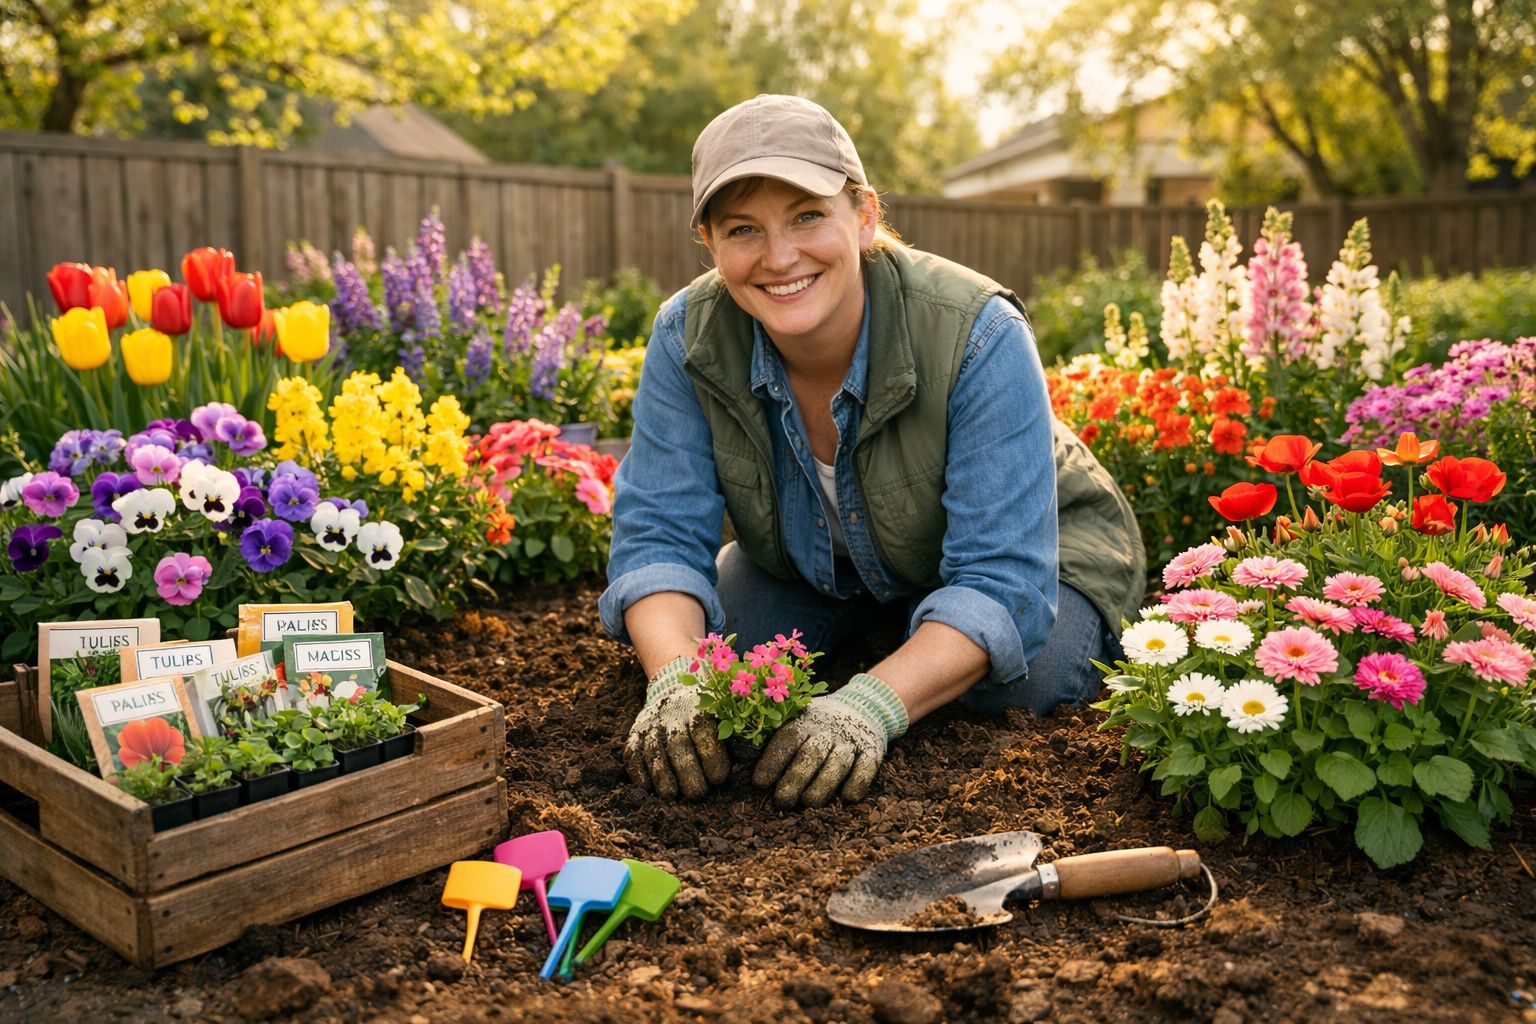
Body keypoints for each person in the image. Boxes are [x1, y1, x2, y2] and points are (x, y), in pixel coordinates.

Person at [600, 95, 1144, 809]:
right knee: (719, 664)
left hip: (1043, 555)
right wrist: (674, 681)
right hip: (817, 563)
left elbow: (1003, 576)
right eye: (743, 230)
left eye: (807, 215)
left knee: (1023, 686)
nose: (780, 256)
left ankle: (910, 655)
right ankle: (907, 640)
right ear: (709, 242)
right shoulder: (686, 338)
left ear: (863, 216)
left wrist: (870, 706)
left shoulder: (976, 331)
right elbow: (658, 538)